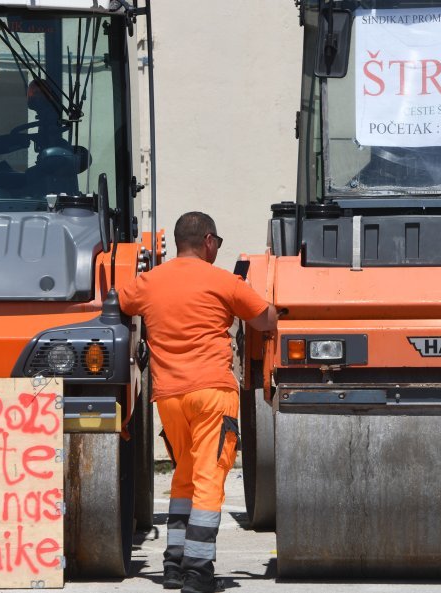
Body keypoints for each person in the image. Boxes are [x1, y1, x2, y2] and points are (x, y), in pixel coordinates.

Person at [118, 212, 277, 593]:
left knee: (184, 475)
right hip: (211, 393)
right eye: (217, 243)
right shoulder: (224, 281)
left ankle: (173, 566)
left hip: (169, 396)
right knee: (209, 479)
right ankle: (197, 571)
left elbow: (121, 303)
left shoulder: (149, 282)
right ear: (208, 241)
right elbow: (265, 320)